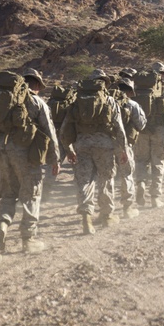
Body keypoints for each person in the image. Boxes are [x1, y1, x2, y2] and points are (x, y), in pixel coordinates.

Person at [0, 68, 60, 253]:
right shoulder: (37, 102)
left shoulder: (3, 101)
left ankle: (2, 226)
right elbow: (49, 130)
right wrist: (55, 159)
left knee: (7, 194)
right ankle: (28, 239)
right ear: (37, 84)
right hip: (27, 155)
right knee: (31, 195)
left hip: (2, 151)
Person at [60, 69, 128, 233]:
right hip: (104, 145)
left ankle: (86, 218)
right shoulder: (110, 101)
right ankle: (107, 216)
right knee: (106, 180)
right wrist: (123, 149)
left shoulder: (77, 101)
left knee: (84, 182)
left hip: (82, 145)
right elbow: (119, 128)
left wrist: (68, 149)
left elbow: (64, 130)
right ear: (104, 83)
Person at [132, 62, 164, 209]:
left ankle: (141, 183)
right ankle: (155, 197)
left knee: (141, 160)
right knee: (158, 163)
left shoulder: (138, 89)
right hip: (160, 130)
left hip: (141, 130)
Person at [112, 77, 146, 219]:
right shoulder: (132, 104)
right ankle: (127, 208)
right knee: (126, 175)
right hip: (124, 145)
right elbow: (141, 124)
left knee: (107, 177)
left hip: (107, 145)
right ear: (130, 91)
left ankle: (107, 211)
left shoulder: (108, 102)